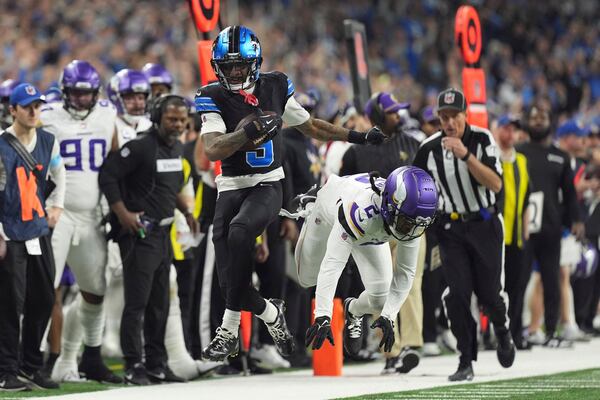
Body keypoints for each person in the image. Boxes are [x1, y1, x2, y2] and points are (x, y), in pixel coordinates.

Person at [194, 25, 385, 362]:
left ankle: (228, 331)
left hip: (268, 183)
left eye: (241, 65)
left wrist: (356, 136)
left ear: (255, 62)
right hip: (230, 186)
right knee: (230, 284)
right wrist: (245, 134)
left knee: (239, 235)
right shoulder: (212, 95)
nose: (235, 71)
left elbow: (311, 125)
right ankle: (270, 312)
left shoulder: (276, 86)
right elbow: (211, 149)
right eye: (229, 66)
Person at [413, 88, 514, 382]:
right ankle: (465, 359)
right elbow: (413, 181)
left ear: (464, 114)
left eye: (453, 116)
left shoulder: (482, 139)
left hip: (484, 224)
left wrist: (466, 155)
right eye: (443, 117)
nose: (448, 123)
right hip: (451, 228)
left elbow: (496, 185)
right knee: (457, 296)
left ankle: (502, 330)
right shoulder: (429, 148)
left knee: (490, 295)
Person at [295, 167, 437, 359]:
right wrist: (323, 315)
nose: (410, 231)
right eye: (406, 222)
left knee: (380, 298)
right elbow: (333, 264)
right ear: (389, 204)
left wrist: (388, 315)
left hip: (372, 231)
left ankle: (353, 310)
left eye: (416, 224)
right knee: (307, 278)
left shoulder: (410, 218)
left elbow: (405, 274)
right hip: (330, 212)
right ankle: (312, 202)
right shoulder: (360, 212)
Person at [99, 95, 193, 385]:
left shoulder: (175, 148)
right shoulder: (140, 147)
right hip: (140, 235)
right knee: (137, 304)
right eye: (171, 119)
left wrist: (185, 210)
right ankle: (133, 365)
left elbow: (169, 186)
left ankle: (156, 363)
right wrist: (123, 214)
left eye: (181, 119)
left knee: (159, 305)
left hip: (164, 235)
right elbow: (108, 175)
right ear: (157, 118)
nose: (177, 125)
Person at [40, 60, 122, 384]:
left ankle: (92, 356)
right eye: (76, 94)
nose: (82, 100)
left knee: (95, 289)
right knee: (46, 290)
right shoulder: (47, 116)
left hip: (91, 216)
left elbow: (114, 161)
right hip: (57, 214)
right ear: (65, 92)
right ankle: (37, 360)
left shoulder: (107, 115)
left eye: (87, 94)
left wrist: (114, 206)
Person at [340, 92, 426, 375]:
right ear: (375, 116)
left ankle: (412, 345)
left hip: (411, 225)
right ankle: (391, 350)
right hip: (375, 227)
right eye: (391, 112)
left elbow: (427, 188)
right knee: (380, 287)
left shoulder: (413, 143)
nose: (397, 115)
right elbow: (346, 190)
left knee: (410, 282)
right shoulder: (356, 152)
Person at [0, 83, 66, 391]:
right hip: (10, 231)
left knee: (42, 298)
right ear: (12, 110)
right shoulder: (2, 144)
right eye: (26, 106)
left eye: (37, 105)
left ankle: (30, 366)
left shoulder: (48, 140)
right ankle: (6, 370)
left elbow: (58, 173)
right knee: (10, 303)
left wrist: (57, 205)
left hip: (38, 229)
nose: (33, 111)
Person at [518, 106, 585, 347]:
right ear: (527, 122)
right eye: (533, 117)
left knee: (552, 279)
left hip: (551, 228)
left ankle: (550, 332)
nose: (537, 121)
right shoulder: (518, 152)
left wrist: (576, 220)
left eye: (542, 117)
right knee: (520, 279)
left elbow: (569, 195)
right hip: (523, 230)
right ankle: (516, 332)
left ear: (550, 121)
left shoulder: (561, 156)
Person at [493, 115, 531, 349]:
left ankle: (516, 334)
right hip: (496, 235)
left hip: (516, 236)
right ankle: (494, 333)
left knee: (516, 287)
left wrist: (525, 230)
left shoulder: (522, 161)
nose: (510, 134)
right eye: (506, 128)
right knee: (495, 288)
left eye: (513, 130)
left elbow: (526, 197)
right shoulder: (491, 158)